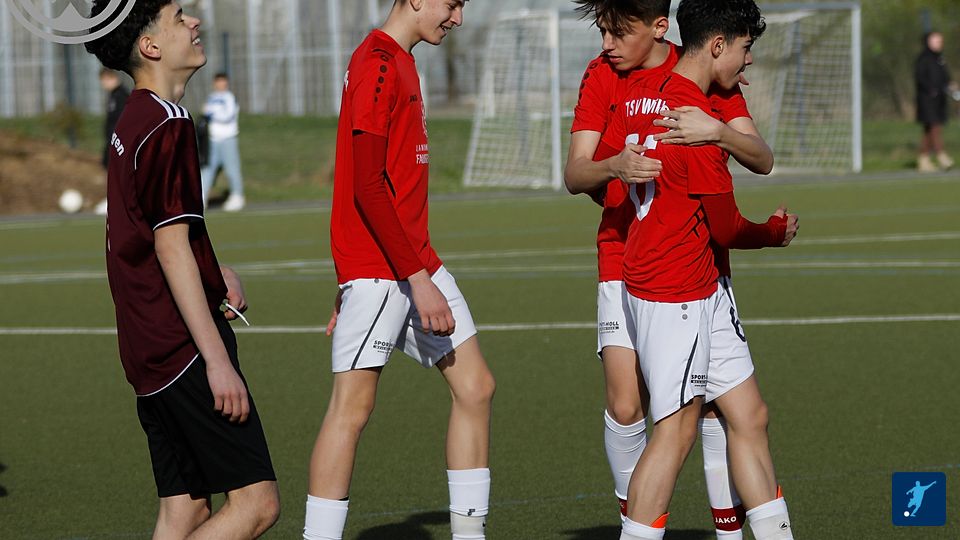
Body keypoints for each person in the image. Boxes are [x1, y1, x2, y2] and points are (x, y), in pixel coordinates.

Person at [567, 1, 773, 537]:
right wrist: (614, 166)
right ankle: (634, 519)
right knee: (633, 408)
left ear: (660, 28)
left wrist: (718, 131)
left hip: (695, 266)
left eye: (618, 32)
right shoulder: (606, 74)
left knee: (726, 412)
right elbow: (576, 173)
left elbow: (759, 156)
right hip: (631, 259)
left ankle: (728, 530)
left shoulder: (703, 68)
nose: (607, 44)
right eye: (603, 32)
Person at [83, 2, 279, 537]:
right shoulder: (167, 124)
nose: (194, 23)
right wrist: (217, 361)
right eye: (178, 17)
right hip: (183, 349)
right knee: (256, 505)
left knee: (186, 510)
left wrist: (215, 273)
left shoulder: (134, 118)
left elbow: (150, 235)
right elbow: (170, 247)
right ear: (150, 47)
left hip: (146, 348)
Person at [303, 2, 495, 540]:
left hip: (411, 262)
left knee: (476, 387)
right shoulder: (379, 63)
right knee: (352, 409)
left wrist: (414, 271)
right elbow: (366, 185)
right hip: (385, 271)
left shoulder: (400, 60)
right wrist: (406, 278)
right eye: (452, 3)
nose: (457, 18)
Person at [201, 72, 246, 210]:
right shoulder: (211, 97)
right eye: (218, 81)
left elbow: (227, 116)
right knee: (207, 169)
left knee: (232, 169)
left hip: (228, 139)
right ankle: (201, 197)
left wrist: (212, 112)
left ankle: (237, 196)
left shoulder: (229, 97)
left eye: (223, 81)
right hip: (213, 140)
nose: (221, 84)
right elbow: (205, 112)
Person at [915, 31, 955, 172]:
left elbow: (945, 76)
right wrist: (931, 90)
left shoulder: (939, 58)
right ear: (928, 42)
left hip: (939, 100)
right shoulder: (923, 58)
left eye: (940, 41)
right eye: (936, 41)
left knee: (929, 130)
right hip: (927, 100)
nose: (939, 43)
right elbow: (920, 78)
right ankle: (941, 154)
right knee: (935, 127)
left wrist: (950, 85)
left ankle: (923, 159)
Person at [99, 68, 129, 169]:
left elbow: (122, 119)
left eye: (104, 81)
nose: (103, 84)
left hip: (118, 140)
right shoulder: (114, 95)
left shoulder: (121, 95)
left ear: (111, 78)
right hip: (112, 139)